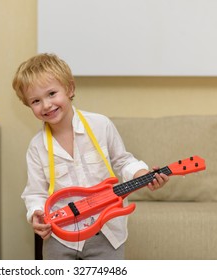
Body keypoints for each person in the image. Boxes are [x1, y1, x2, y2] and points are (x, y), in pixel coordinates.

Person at [12, 53, 169, 260]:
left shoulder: (100, 125)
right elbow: (35, 193)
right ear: (28, 105)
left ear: (70, 88)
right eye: (36, 101)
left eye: (51, 93)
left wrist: (144, 174)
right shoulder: (36, 147)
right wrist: (36, 213)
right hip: (60, 239)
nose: (46, 105)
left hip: (107, 234)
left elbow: (123, 161)